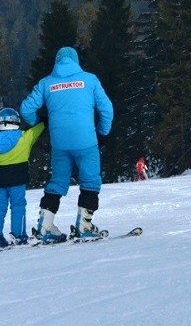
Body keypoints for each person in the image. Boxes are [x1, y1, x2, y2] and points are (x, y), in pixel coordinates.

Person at [21, 46, 114, 243]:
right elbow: (107, 109)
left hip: (60, 143)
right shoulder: (89, 80)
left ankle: (45, 226)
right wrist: (103, 133)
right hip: (86, 141)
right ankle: (84, 226)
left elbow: (26, 108)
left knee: (57, 182)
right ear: (76, 61)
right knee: (90, 181)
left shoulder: (46, 83)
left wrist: (38, 122)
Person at [0, 107, 46, 248]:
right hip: (17, 179)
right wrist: (44, 120)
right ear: (16, 122)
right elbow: (37, 130)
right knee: (18, 206)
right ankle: (19, 235)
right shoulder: (24, 137)